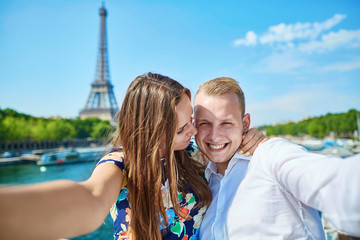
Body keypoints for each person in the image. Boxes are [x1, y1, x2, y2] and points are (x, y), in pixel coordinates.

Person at [0, 73, 264, 240]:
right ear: (153, 131)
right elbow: (90, 199)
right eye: (183, 128)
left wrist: (254, 138)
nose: (194, 131)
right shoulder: (119, 167)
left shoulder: (191, 154)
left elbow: (234, 158)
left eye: (192, 121)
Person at [193, 77, 360, 240]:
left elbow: (335, 183)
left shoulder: (270, 156)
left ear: (245, 123)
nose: (215, 136)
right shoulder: (203, 179)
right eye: (204, 124)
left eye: (226, 123)